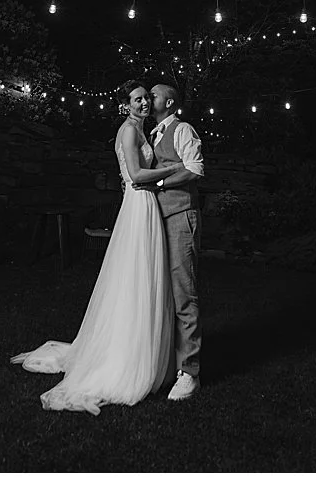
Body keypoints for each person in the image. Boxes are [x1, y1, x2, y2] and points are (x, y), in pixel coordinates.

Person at [10, 81, 178, 415]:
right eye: (137, 98)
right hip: (139, 202)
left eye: (146, 97)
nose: (144, 102)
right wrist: (173, 168)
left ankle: (141, 346)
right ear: (125, 104)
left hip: (144, 205)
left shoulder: (140, 131)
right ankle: (126, 356)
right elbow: (134, 173)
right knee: (136, 274)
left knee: (141, 275)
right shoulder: (129, 132)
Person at [135, 83, 206, 401]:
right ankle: (165, 364)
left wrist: (160, 182)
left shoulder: (183, 129)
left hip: (180, 218)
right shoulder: (150, 134)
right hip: (155, 221)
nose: (149, 99)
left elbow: (195, 169)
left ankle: (190, 373)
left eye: (154, 94)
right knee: (160, 294)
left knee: (183, 296)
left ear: (170, 101)